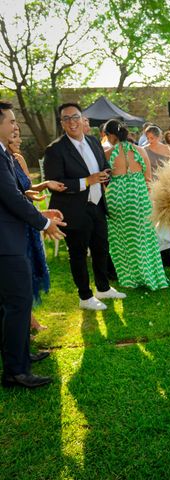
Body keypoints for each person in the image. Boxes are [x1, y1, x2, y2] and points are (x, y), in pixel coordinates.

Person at [0, 100, 66, 389]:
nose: (16, 125)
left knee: (14, 304)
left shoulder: (4, 155)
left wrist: (41, 214)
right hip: (6, 244)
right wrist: (44, 224)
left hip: (11, 239)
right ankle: (15, 370)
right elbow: (11, 199)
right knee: (17, 304)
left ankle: (20, 356)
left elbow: (13, 196)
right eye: (11, 121)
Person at [44, 103, 126, 311]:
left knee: (101, 248)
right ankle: (85, 296)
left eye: (75, 117)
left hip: (97, 205)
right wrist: (86, 181)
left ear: (82, 119)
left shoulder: (92, 141)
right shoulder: (55, 150)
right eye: (66, 118)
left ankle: (103, 288)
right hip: (73, 209)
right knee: (78, 253)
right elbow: (55, 184)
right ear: (62, 123)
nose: (72, 122)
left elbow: (102, 166)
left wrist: (106, 174)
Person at [8, 128, 67, 334]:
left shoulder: (18, 160)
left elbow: (26, 194)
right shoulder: (3, 161)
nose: (18, 140)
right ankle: (25, 326)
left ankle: (28, 322)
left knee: (28, 275)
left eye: (18, 135)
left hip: (27, 223)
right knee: (17, 283)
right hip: (12, 229)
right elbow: (13, 198)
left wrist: (44, 211)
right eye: (14, 136)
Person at [103, 119, 168, 291]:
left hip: (117, 197)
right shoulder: (141, 151)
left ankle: (129, 276)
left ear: (110, 135)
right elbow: (148, 178)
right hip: (139, 197)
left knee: (121, 240)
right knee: (145, 237)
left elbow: (104, 180)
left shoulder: (108, 154)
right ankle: (148, 273)